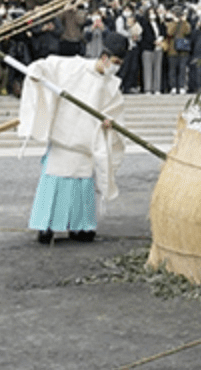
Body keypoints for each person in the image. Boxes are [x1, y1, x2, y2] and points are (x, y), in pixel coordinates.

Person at [18, 31, 128, 244]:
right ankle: (47, 226)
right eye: (115, 62)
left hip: (85, 145)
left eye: (119, 64)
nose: (116, 67)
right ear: (104, 57)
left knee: (82, 188)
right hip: (62, 141)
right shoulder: (74, 66)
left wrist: (108, 122)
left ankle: (80, 226)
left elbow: (114, 111)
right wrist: (36, 72)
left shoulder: (111, 86)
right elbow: (47, 66)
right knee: (55, 184)